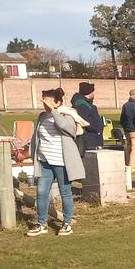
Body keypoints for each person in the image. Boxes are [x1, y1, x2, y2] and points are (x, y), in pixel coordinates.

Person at [26, 88, 86, 237]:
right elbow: (36, 137)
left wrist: (54, 111)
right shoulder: (41, 117)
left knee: (65, 192)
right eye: (43, 99)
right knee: (41, 192)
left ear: (58, 102)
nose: (44, 103)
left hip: (62, 161)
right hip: (45, 161)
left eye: (48, 100)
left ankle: (67, 223)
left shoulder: (68, 115)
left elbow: (68, 129)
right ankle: (42, 224)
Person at [71, 82, 104, 151]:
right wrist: (96, 129)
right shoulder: (81, 104)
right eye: (93, 91)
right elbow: (84, 121)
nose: (94, 93)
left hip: (92, 136)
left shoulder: (85, 103)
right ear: (90, 92)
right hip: (89, 138)